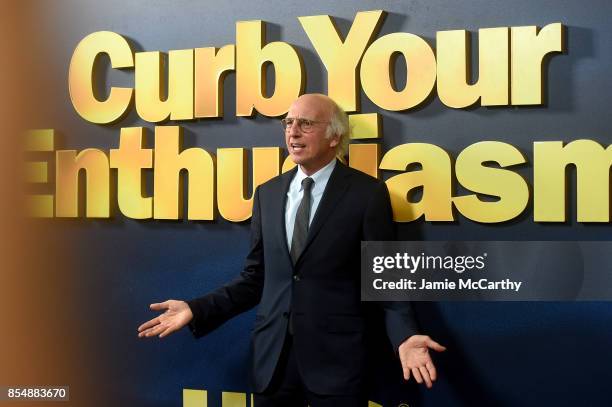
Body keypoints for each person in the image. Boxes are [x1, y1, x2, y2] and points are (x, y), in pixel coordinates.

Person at [138, 93, 445, 406]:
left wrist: (405, 336)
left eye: (306, 124)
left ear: (334, 135)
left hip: (338, 365)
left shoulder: (366, 194)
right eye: (288, 123)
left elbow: (385, 280)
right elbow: (254, 278)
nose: (293, 132)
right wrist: (196, 309)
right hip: (273, 365)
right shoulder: (267, 194)